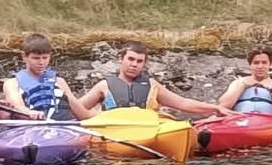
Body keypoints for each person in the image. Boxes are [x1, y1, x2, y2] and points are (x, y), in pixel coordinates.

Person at [79, 40, 232, 117]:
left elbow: (182, 102)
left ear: (144, 63)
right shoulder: (103, 86)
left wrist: (215, 108)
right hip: (114, 131)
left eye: (139, 61)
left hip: (147, 131)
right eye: (131, 59)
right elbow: (77, 108)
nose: (134, 65)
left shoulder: (152, 85)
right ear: (121, 59)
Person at [2, 33, 94, 121]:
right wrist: (29, 112)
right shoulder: (12, 84)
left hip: (64, 129)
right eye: (36, 58)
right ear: (24, 56)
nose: (41, 62)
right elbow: (18, 107)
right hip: (30, 130)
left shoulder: (60, 82)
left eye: (45, 58)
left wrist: (103, 114)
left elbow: (83, 115)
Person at [218, 48, 272, 116]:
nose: (260, 66)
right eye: (256, 63)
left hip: (266, 124)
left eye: (264, 63)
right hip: (240, 121)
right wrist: (242, 86)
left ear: (270, 64)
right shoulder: (238, 83)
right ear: (250, 65)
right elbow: (222, 107)